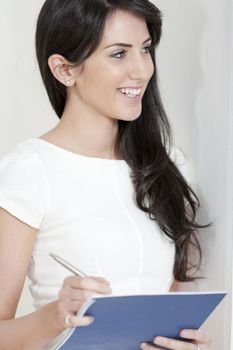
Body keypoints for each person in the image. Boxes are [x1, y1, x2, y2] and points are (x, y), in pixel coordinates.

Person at [0, 0, 212, 349]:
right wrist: (57, 315)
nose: (142, 71)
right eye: (118, 54)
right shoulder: (30, 170)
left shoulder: (169, 166)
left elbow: (174, 307)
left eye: (145, 50)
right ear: (65, 70)